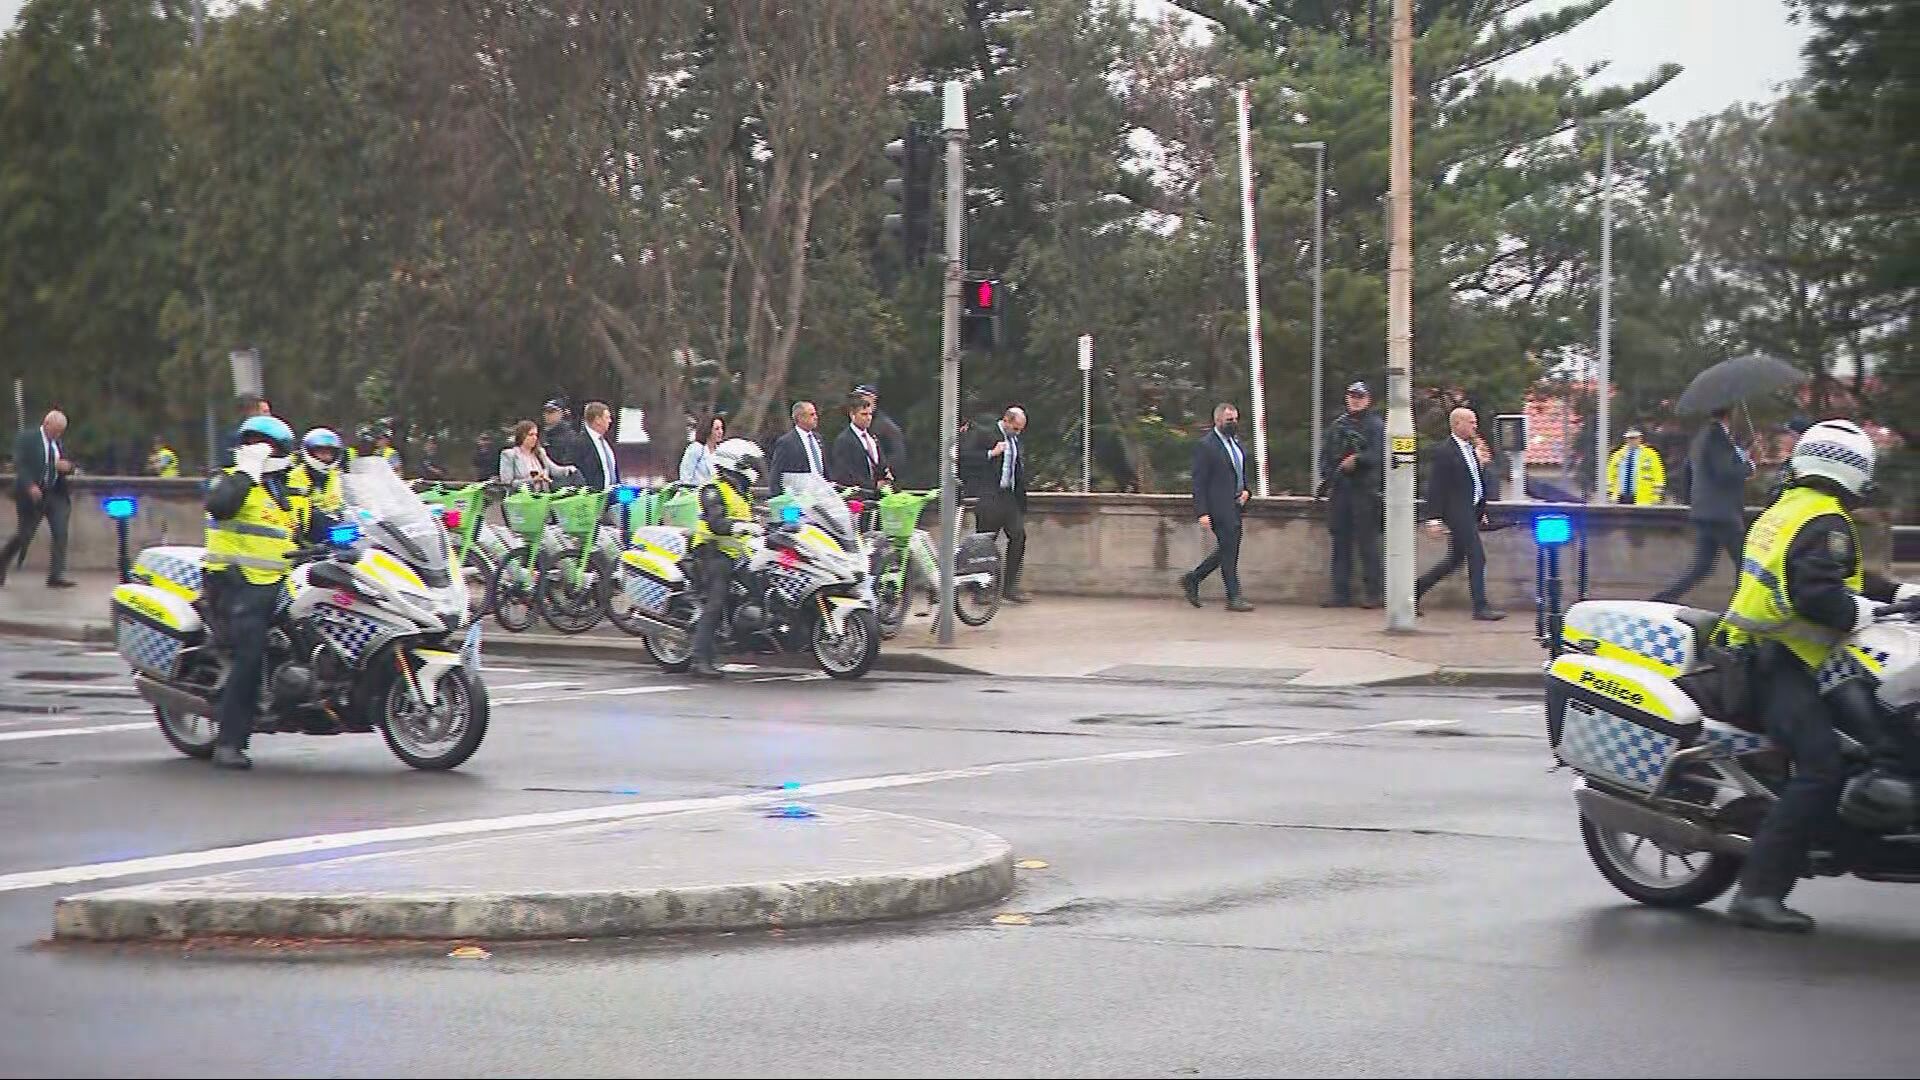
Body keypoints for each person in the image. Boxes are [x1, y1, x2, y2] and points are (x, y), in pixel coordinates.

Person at [1717, 419, 1915, 932]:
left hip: (1764, 651)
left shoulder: (1787, 510)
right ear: (1855, 469)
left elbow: (1833, 574)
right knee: (1821, 764)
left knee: (1864, 738)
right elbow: (1815, 593)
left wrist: (1896, 593)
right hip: (1776, 659)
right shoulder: (1826, 520)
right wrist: (1858, 613)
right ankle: (1757, 892)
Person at [201, 415, 302, 771]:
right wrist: (246, 470)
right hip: (235, 584)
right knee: (250, 653)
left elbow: (309, 526)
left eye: (269, 444)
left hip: (276, 583)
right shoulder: (229, 478)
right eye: (256, 442)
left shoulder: (283, 490)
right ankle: (229, 741)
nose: (262, 450)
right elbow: (220, 505)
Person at [1652, 407, 1754, 605]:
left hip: (1705, 510)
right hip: (1722, 512)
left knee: (1701, 568)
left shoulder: (1701, 437)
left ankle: (1660, 600)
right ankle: (1741, 610)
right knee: (1746, 567)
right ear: (1730, 414)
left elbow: (1688, 472)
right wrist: (1747, 466)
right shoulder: (1717, 437)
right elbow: (1725, 472)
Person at [1415, 407, 1506, 621]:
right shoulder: (1445, 451)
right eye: (1471, 422)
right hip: (1456, 511)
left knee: (1454, 560)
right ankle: (1480, 607)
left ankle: (1413, 591)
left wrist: (1481, 508)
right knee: (1477, 556)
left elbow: (1475, 482)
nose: (1475, 427)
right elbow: (1436, 486)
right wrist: (1433, 518)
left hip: (1470, 509)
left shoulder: (1471, 450)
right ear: (1456, 425)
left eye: (1475, 422)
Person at [688, 438, 765, 679]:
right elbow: (716, 522)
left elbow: (755, 516)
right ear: (734, 464)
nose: (753, 470)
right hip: (711, 551)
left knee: (762, 583)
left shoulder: (741, 492)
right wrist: (740, 527)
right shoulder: (713, 489)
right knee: (716, 599)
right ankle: (699, 658)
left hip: (738, 552)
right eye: (749, 464)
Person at [1181, 403, 1254, 612]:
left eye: (1236, 419)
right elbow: (1199, 481)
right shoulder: (1206, 446)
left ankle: (1194, 578)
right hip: (1218, 506)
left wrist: (1247, 490)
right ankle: (1234, 597)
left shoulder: (1236, 443)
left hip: (1236, 504)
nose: (1233, 423)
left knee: (1228, 550)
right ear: (1218, 420)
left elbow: (1240, 471)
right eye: (1229, 420)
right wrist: (1202, 512)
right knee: (1229, 552)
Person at [1320, 380, 1385, 608]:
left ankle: (1374, 594)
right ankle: (1340, 593)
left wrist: (1358, 460)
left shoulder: (1376, 426)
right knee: (1340, 544)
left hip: (1365, 491)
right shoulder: (1337, 426)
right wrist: (1329, 473)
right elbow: (1326, 455)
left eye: (1360, 397)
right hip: (1341, 491)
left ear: (1368, 399)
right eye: (1352, 396)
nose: (1355, 400)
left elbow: (1379, 455)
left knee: (1368, 545)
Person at [960, 405, 1030, 603]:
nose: (1017, 433)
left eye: (1020, 430)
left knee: (1018, 536)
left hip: (1008, 496)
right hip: (988, 494)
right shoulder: (985, 433)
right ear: (1006, 421)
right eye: (1015, 428)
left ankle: (1010, 586)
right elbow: (964, 457)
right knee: (985, 543)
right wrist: (991, 453)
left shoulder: (1015, 441)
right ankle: (980, 589)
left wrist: (1021, 499)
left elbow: (1018, 469)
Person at [1, 410, 76, 588]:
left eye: (61, 432)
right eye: (56, 431)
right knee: (24, 534)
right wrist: (30, 486)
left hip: (56, 493)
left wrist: (69, 467)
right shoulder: (27, 438)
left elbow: (71, 464)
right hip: (33, 494)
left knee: (60, 532)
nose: (57, 435)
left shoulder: (58, 443)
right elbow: (20, 464)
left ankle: (56, 575)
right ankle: (2, 563)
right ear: (47, 424)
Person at [286, 428, 346, 540]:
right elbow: (297, 512)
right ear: (309, 452)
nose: (326, 457)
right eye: (321, 452)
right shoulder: (295, 476)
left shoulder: (335, 475)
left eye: (330, 453)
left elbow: (345, 503)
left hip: (335, 530)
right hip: (306, 535)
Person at [831, 395, 892, 494]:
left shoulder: (872, 437)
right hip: (859, 496)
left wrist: (886, 478)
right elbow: (845, 473)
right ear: (852, 415)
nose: (868, 418)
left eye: (870, 414)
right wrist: (873, 486)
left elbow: (880, 463)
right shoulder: (844, 440)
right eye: (864, 414)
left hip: (879, 494)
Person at [767, 401, 828, 497]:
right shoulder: (787, 442)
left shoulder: (818, 438)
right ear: (800, 417)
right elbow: (777, 471)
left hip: (820, 494)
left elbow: (824, 466)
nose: (816, 417)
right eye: (812, 414)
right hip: (798, 496)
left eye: (815, 414)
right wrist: (778, 497)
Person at [853, 384, 908, 485]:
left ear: (873, 400)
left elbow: (898, 456)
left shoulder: (886, 427)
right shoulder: (856, 426)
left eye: (860, 397)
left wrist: (882, 476)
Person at [498, 420, 572, 489]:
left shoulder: (540, 453)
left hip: (544, 497)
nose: (534, 438)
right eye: (531, 435)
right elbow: (507, 483)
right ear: (521, 436)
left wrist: (568, 469)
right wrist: (532, 480)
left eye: (536, 435)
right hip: (521, 499)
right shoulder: (509, 455)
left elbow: (554, 469)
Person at [1606, 427, 1666, 506]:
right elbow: (1609, 475)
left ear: (1640, 438)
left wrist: (1656, 497)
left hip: (1644, 498)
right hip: (1620, 497)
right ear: (1626, 439)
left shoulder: (1651, 454)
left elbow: (1659, 476)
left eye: (1635, 438)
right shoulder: (1617, 454)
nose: (1632, 440)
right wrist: (1609, 494)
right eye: (1630, 438)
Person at [576, 401, 619, 491]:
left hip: (613, 497)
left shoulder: (605, 442)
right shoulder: (579, 443)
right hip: (593, 498)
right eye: (607, 417)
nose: (610, 421)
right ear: (598, 420)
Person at [680, 413, 725, 486]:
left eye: (721, 428)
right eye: (716, 429)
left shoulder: (721, 452)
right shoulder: (696, 448)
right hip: (694, 493)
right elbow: (685, 474)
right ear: (708, 429)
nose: (720, 432)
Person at [542, 399, 580, 468]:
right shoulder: (542, 435)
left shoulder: (569, 436)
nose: (548, 415)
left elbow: (569, 461)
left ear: (561, 413)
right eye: (546, 412)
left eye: (551, 411)